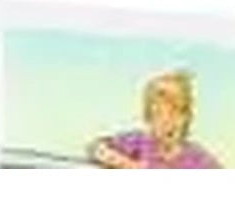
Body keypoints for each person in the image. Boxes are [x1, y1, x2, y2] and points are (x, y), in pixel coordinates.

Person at [88, 70, 219, 169]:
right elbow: (96, 147)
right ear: (148, 118)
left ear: (187, 117)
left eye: (175, 114)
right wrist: (127, 164)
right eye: (159, 115)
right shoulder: (139, 142)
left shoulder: (198, 159)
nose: (168, 123)